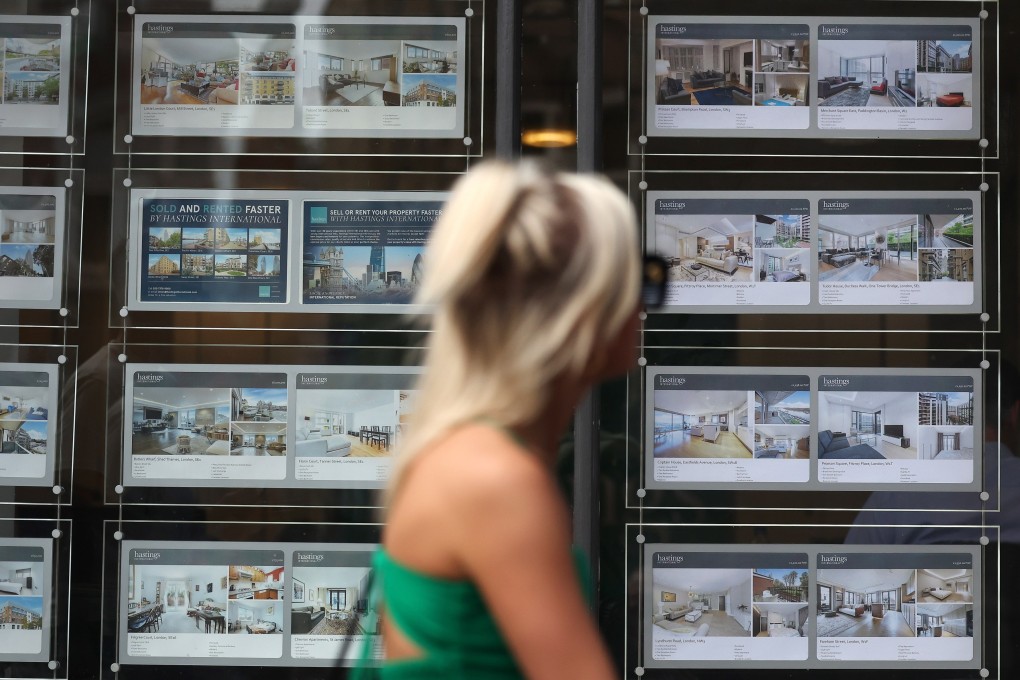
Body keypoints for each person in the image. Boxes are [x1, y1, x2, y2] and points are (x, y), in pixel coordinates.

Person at [353, 161, 651, 679]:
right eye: (639, 281)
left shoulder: (466, 452)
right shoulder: (497, 482)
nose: (647, 307)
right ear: (582, 311)